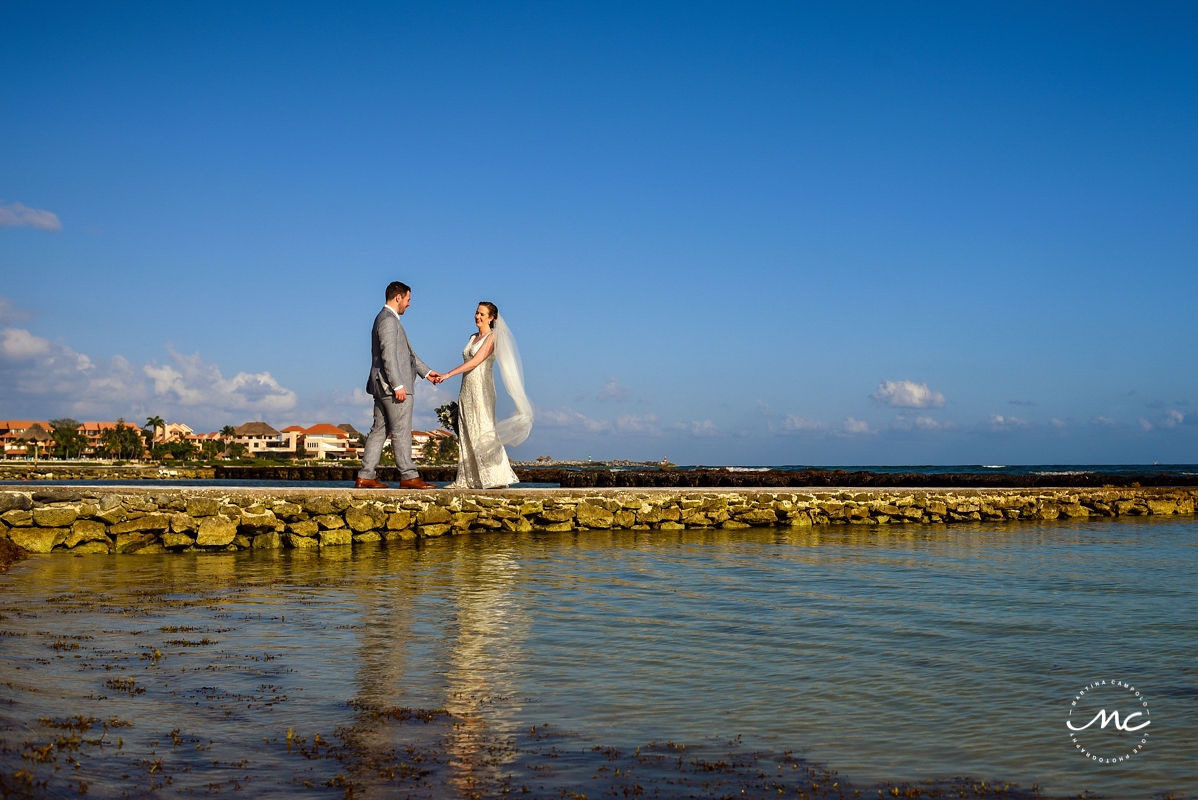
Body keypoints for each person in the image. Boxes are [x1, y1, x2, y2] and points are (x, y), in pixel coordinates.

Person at [432, 301, 532, 488]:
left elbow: (476, 361)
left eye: (482, 314)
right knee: (466, 429)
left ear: (491, 318)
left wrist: (448, 374)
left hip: (482, 388)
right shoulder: (472, 337)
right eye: (477, 313)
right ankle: (467, 479)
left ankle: (494, 477)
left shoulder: (493, 338)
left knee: (483, 429)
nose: (477, 317)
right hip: (466, 388)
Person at [356, 281, 439, 489]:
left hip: (381, 386)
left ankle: (366, 475)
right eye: (408, 299)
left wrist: (427, 373)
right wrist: (398, 385)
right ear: (398, 297)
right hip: (392, 387)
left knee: (378, 431)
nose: (409, 304)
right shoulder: (388, 321)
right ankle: (409, 476)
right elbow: (388, 355)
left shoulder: (387, 319)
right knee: (401, 431)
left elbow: (409, 355)